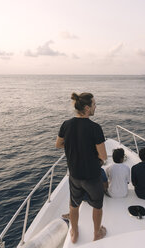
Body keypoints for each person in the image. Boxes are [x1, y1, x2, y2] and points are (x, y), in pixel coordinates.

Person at [56, 92, 107, 243]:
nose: (95, 107)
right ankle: (97, 233)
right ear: (86, 108)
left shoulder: (66, 124)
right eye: (94, 104)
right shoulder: (95, 128)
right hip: (92, 176)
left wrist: (74, 145)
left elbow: (58, 144)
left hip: (75, 176)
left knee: (74, 204)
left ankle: (74, 232)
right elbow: (103, 156)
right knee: (97, 206)